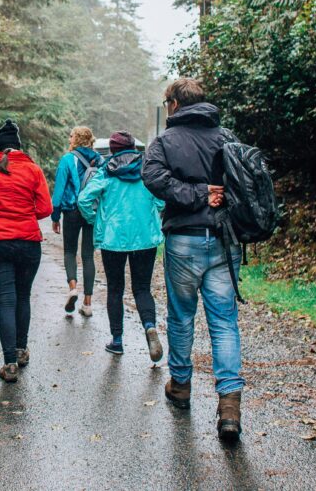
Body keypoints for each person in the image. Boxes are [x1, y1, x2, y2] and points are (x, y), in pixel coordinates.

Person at [141, 78, 244, 442]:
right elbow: (245, 182)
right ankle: (229, 406)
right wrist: (209, 193)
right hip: (223, 241)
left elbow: (151, 176)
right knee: (224, 321)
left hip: (183, 240)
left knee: (182, 316)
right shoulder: (228, 138)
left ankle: (181, 386)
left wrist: (192, 194)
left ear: (174, 104)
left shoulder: (165, 143)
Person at [0, 119, 52, 383]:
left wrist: (0, 212)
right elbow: (45, 208)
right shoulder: (33, 169)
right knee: (23, 296)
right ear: (18, 146)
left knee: (6, 301)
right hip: (29, 241)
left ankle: (9, 364)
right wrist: (24, 211)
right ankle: (21, 350)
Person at [77, 131, 164, 361]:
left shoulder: (105, 171)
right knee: (142, 288)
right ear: (135, 148)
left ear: (113, 150)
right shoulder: (146, 171)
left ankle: (117, 341)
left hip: (113, 238)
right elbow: (162, 200)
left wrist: (93, 218)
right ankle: (149, 326)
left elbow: (84, 199)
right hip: (145, 238)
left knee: (115, 288)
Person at [50, 126, 102, 317]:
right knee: (88, 256)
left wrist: (55, 216)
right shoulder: (100, 160)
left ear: (78, 139)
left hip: (71, 211)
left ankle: (73, 287)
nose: (69, 139)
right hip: (91, 212)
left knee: (70, 252)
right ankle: (88, 304)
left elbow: (58, 192)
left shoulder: (67, 159)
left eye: (71, 136)